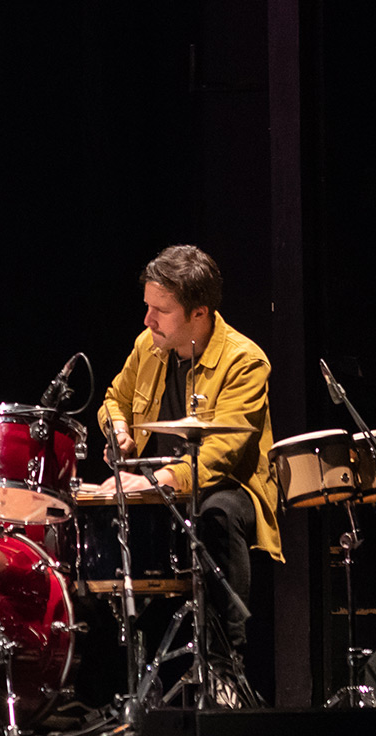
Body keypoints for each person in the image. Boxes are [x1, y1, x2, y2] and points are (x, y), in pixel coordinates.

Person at [93, 245, 283, 670]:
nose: (148, 320)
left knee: (217, 513)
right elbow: (113, 399)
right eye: (147, 307)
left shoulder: (245, 361)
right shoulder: (148, 345)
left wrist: (156, 480)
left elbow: (220, 454)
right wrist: (119, 430)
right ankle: (121, 670)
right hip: (160, 486)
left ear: (199, 313)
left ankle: (224, 666)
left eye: (160, 310)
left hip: (229, 488)